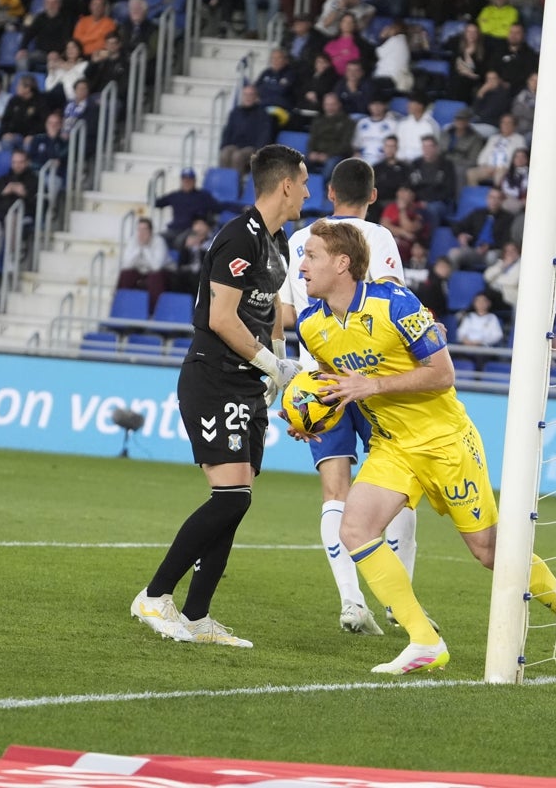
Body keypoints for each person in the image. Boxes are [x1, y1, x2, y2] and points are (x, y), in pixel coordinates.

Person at [290, 218, 556, 679]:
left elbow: (443, 373)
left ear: (342, 264)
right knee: (355, 529)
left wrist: (373, 385)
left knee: (489, 552)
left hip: (444, 442)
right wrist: (310, 419)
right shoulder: (311, 324)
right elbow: (335, 389)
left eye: (311, 256)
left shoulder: (395, 303)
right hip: (393, 446)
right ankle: (424, 639)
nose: (301, 266)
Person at [130, 143, 308, 648]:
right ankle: (154, 594)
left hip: (247, 381)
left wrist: (276, 360)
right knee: (230, 497)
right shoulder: (238, 237)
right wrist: (272, 364)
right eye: (305, 181)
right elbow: (220, 318)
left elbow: (271, 306)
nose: (309, 191)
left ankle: (196, 615)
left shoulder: (279, 242)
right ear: (286, 185)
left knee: (237, 500)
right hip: (214, 375)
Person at [277, 156, 416, 636]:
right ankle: (400, 603)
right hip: (370, 381)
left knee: (335, 490)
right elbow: (393, 299)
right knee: (399, 492)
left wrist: (285, 378)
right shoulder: (376, 237)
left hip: (318, 384)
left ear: (330, 194)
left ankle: (352, 602)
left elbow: (284, 315)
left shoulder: (300, 240)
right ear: (373, 197)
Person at [117, 216, 169, 314]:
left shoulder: (159, 241)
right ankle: (122, 308)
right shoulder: (133, 240)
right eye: (139, 229)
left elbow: (156, 266)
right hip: (140, 272)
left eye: (144, 229)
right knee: (125, 275)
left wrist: (145, 249)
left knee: (155, 277)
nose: (141, 233)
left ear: (151, 231)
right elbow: (126, 264)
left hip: (162, 274)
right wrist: (138, 250)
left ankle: (153, 313)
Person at [218, 83, 272, 176]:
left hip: (252, 147)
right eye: (246, 94)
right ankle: (224, 183)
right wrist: (223, 145)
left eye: (251, 95)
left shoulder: (263, 114)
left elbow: (265, 136)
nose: (248, 97)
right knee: (224, 153)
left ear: (256, 97)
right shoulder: (235, 112)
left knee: (237, 156)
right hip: (235, 145)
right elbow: (227, 131)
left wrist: (259, 151)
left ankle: (236, 186)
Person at [154, 168, 219, 237]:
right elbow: (156, 203)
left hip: (191, 232)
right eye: (185, 180)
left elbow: (218, 208)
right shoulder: (175, 196)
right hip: (174, 230)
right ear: (181, 181)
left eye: (189, 180)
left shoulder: (203, 196)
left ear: (194, 181)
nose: (187, 183)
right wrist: (152, 188)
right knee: (158, 239)